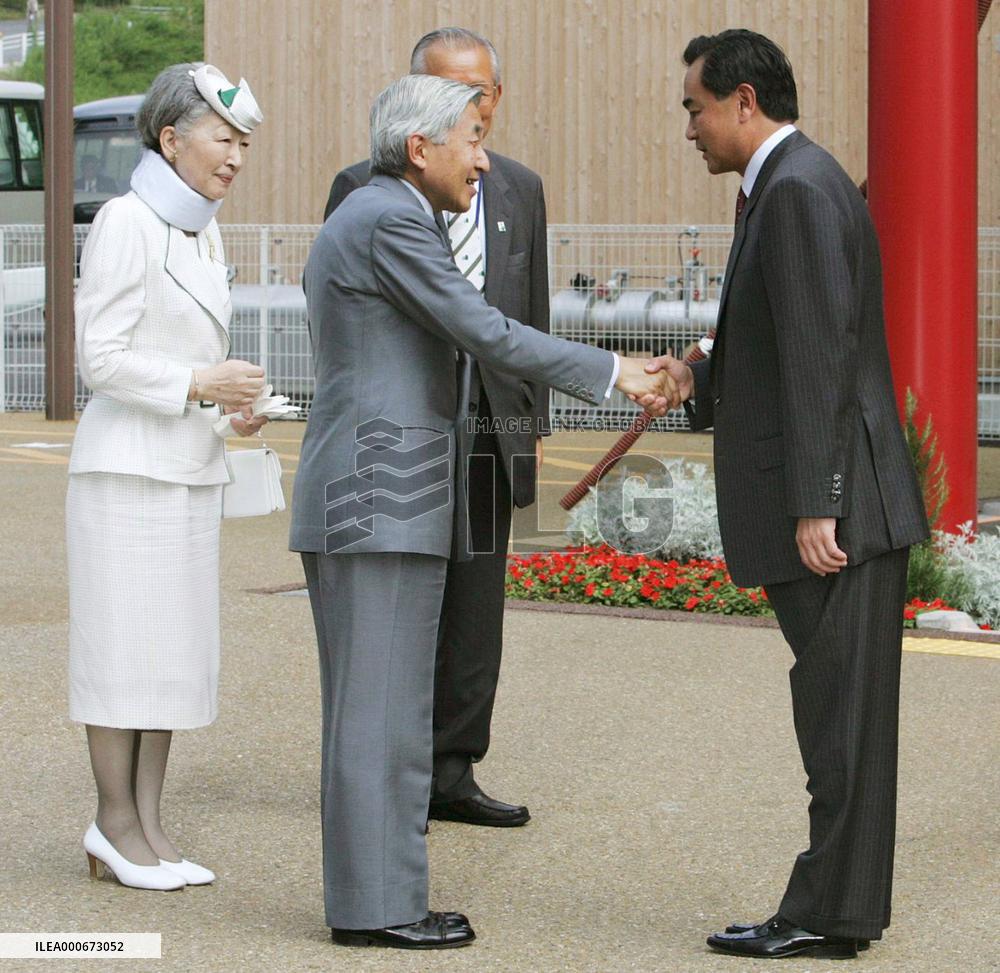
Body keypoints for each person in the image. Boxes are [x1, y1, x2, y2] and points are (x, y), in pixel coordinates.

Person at [291, 73, 675, 949]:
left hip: (383, 491)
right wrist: (614, 370)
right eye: (471, 137)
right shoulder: (388, 218)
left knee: (388, 709)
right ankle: (378, 908)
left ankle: (382, 895)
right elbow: (485, 328)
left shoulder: (388, 211)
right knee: (381, 714)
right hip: (379, 493)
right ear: (418, 147)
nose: (484, 158)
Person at [647, 30, 929, 959]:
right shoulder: (791, 182)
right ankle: (837, 909)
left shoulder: (798, 190)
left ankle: (825, 914)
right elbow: (783, 331)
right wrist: (700, 367)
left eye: (694, 108)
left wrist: (818, 502)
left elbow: (821, 357)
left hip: (840, 512)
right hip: (847, 500)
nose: (689, 127)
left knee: (840, 723)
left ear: (743, 101)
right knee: (842, 717)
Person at [326, 27, 547, 830]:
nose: (468, 105)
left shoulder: (518, 187)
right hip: (404, 426)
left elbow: (528, 308)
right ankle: (395, 769)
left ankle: (453, 769)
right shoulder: (363, 188)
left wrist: (528, 427)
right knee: (400, 600)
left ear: (499, 97)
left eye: (478, 92)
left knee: (476, 609)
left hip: (489, 422)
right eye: (449, 89)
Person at [67, 62, 265, 891]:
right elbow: (101, 358)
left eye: (243, 143)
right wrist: (198, 383)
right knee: (123, 655)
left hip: (185, 467)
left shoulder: (201, 231)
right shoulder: (126, 220)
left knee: (170, 659)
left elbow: (188, 363)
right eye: (224, 139)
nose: (236, 157)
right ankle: (113, 823)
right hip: (126, 473)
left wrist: (230, 410)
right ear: (171, 138)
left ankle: (148, 825)